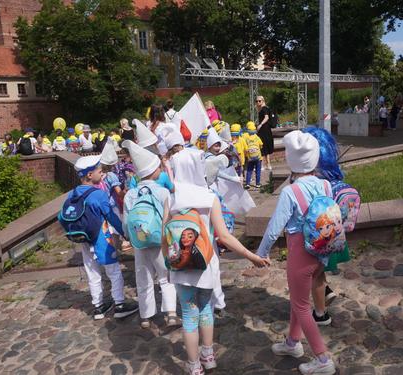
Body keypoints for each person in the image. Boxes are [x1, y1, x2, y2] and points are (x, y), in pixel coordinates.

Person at [163, 158, 269, 375]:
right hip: (206, 266)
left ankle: (194, 366)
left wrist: (169, 263)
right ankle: (208, 356)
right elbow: (225, 237)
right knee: (205, 309)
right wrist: (251, 256)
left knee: (189, 316)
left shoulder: (171, 198)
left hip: (181, 268)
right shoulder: (210, 197)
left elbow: (164, 237)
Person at [257, 130, 337, 375]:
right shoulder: (325, 184)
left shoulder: (291, 192)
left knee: (302, 306)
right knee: (299, 298)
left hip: (299, 253)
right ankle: (293, 343)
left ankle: (323, 360)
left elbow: (274, 227)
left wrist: (262, 253)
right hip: (321, 250)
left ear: (292, 161)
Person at [65, 155, 139, 320]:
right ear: (90, 175)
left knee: (92, 272)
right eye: (99, 171)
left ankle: (98, 306)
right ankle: (120, 304)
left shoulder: (72, 193)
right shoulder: (98, 194)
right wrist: (125, 232)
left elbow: (62, 217)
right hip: (102, 238)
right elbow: (111, 217)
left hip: (84, 240)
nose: (102, 174)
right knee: (113, 271)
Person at [123, 141, 179, 329]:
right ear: (155, 170)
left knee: (143, 277)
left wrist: (129, 238)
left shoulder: (130, 194)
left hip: (140, 242)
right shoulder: (163, 191)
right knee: (166, 276)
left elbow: (126, 222)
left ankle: (145, 316)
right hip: (160, 241)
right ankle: (171, 313)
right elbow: (169, 218)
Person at [302, 127, 352, 326]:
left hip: (319, 235)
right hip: (335, 234)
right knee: (319, 272)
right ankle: (325, 294)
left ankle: (321, 314)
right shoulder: (334, 175)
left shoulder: (314, 179)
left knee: (315, 274)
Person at [255, 96, 275, 171]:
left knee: (262, 146)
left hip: (264, 129)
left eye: (259, 101)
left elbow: (266, 117)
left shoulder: (264, 109)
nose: (258, 102)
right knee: (265, 146)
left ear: (263, 101)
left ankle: (264, 164)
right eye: (256, 101)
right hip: (266, 130)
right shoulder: (264, 109)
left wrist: (260, 124)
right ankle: (267, 164)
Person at [244, 122, 263, 189]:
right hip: (258, 157)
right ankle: (257, 183)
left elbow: (245, 147)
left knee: (249, 170)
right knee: (258, 170)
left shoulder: (246, 138)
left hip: (250, 157)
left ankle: (248, 183)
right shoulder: (257, 137)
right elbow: (261, 144)